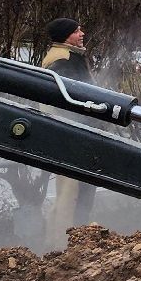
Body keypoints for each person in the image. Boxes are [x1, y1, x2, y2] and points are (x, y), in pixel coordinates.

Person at [41, 17, 99, 234]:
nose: (82, 33)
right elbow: (74, 100)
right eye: (76, 31)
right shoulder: (65, 61)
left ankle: (66, 236)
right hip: (71, 135)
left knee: (69, 190)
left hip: (64, 132)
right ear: (66, 36)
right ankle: (67, 239)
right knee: (72, 193)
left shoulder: (63, 56)